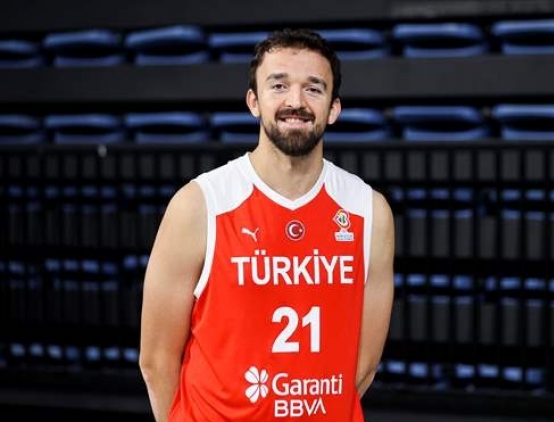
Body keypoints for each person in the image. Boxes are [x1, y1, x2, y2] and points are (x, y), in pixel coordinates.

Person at [138, 28, 395, 422]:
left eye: (313, 88)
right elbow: (156, 361)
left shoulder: (369, 210)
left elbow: (364, 367)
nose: (296, 102)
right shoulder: (200, 204)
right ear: (253, 102)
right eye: (279, 85)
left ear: (334, 108)